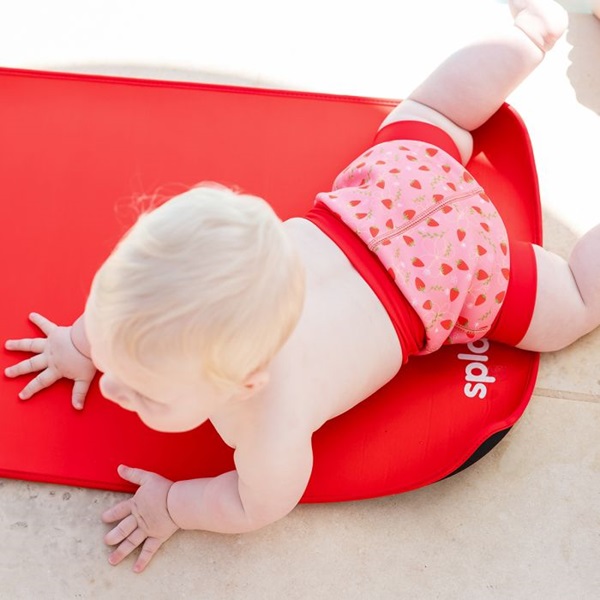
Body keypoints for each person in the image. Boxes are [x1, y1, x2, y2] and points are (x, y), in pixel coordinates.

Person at [4, 0, 588, 574]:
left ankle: (532, 33)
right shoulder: (180, 314)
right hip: (399, 183)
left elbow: (258, 504)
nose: (116, 392)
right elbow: (126, 310)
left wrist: (172, 506)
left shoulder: (268, 424)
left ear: (247, 381)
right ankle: (531, 35)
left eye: (147, 395)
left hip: (455, 271)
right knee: (439, 111)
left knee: (573, 304)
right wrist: (81, 347)